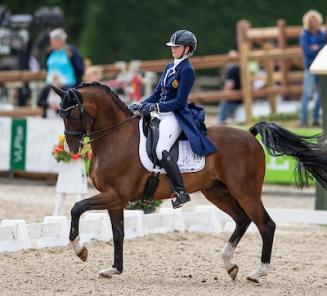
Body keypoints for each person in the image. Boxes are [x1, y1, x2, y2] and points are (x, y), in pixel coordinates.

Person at [130, 30, 216, 208]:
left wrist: (156, 107)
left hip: (175, 116)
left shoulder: (187, 70)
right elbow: (156, 93)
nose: (173, 49)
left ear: (187, 49)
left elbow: (178, 101)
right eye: (173, 46)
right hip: (160, 113)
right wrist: (141, 104)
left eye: (177, 47)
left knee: (161, 149)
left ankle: (181, 191)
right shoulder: (170, 67)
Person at [299, 10, 326, 127]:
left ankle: (315, 119)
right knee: (307, 94)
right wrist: (319, 48)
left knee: (321, 94)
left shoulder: (323, 33)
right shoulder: (304, 34)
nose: (314, 23)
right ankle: (303, 120)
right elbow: (308, 51)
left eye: (315, 20)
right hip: (310, 68)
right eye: (311, 21)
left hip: (321, 67)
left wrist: (317, 47)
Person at [218, 50, 242, 124]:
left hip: (231, 99)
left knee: (221, 121)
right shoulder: (241, 68)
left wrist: (224, 96)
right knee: (240, 121)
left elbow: (229, 85)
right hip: (241, 99)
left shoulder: (232, 69)